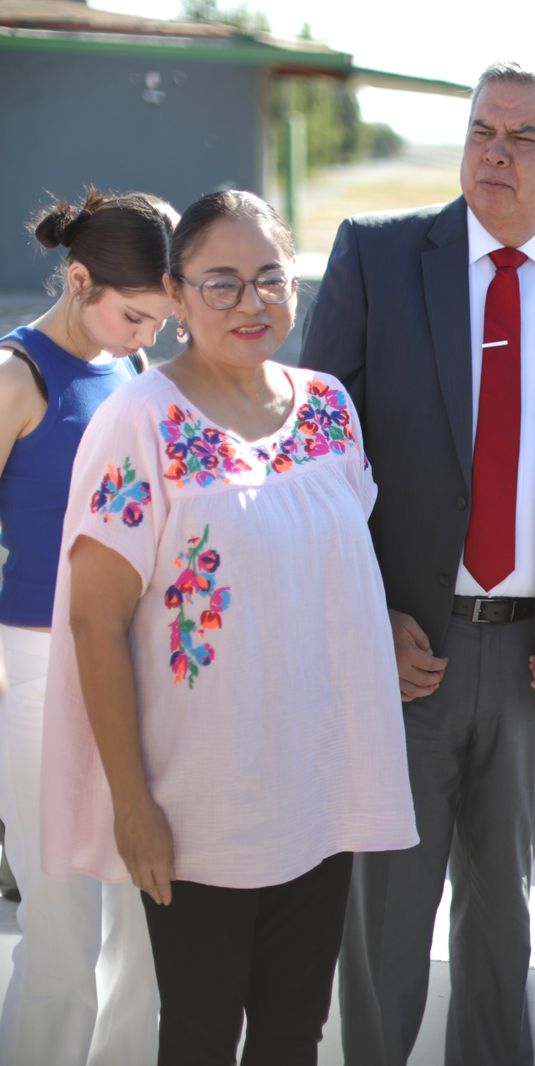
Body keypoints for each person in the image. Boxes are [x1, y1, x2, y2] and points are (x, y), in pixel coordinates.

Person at [299, 61, 535, 1065]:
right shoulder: (378, 258)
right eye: (481, 131)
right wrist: (365, 619)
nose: (494, 153)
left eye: (522, 137)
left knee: (500, 918)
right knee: (384, 924)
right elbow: (315, 463)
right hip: (402, 658)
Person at [39, 190, 417, 1064]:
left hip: (320, 790)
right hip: (198, 804)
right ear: (175, 295)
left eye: (269, 279)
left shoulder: (327, 409)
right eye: (221, 284)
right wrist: (133, 806)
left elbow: (327, 569)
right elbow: (95, 626)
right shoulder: (140, 423)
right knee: (203, 1036)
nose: (252, 304)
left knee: (294, 1034)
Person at [0, 187, 175, 1066]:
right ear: (77, 279)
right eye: (136, 314)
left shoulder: (134, 371)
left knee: (146, 924)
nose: (150, 335)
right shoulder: (13, 375)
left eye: (160, 319)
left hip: (131, 667)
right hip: (32, 669)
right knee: (61, 926)